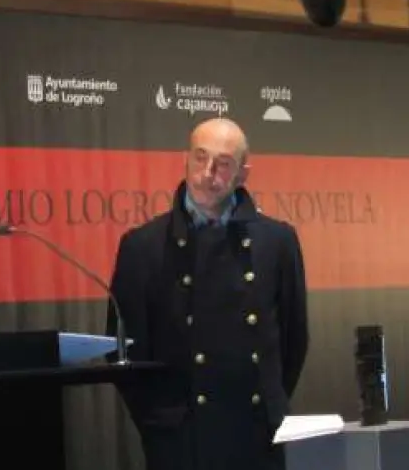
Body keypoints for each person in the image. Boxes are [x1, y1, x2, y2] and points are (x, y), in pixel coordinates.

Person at [106, 117, 309, 470]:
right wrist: (161, 423)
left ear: (243, 173)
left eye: (223, 163)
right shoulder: (142, 246)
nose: (207, 172)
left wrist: (268, 408)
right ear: (185, 159)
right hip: (182, 443)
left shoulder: (278, 241)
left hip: (256, 438)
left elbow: (294, 339)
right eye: (200, 157)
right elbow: (123, 351)